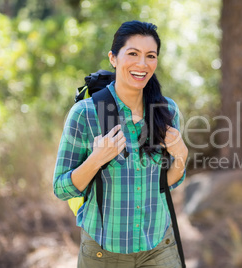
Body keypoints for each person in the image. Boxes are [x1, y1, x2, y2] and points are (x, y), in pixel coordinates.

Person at [53, 20, 188, 268]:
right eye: (133, 54)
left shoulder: (166, 110)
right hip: (104, 252)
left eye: (150, 56)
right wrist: (96, 160)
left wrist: (181, 155)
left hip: (160, 246)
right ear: (113, 58)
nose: (142, 64)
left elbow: (167, 182)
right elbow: (61, 188)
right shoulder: (86, 113)